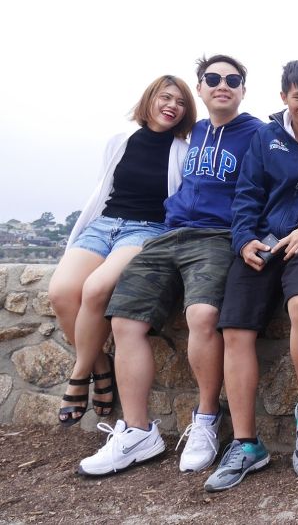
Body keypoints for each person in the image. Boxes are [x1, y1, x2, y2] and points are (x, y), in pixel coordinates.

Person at [77, 55, 263, 477]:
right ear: (201, 88)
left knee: (202, 315)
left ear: (243, 91)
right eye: (212, 78)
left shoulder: (257, 133)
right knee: (124, 321)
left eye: (232, 80)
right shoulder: (191, 133)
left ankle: (205, 420)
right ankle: (138, 432)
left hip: (218, 236)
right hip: (169, 233)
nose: (222, 85)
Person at [204, 60, 298, 492]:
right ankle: (247, 444)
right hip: (263, 240)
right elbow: (246, 195)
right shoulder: (264, 139)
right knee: (235, 328)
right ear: (284, 95)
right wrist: (244, 241)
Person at [50, 75, 195, 425]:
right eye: (166, 97)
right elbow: (104, 190)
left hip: (147, 230)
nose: (172, 106)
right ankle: (100, 365)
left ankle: (79, 374)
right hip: (104, 225)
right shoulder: (120, 141)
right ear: (149, 100)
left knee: (96, 289)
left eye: (180, 102)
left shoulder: (185, 148)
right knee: (60, 292)